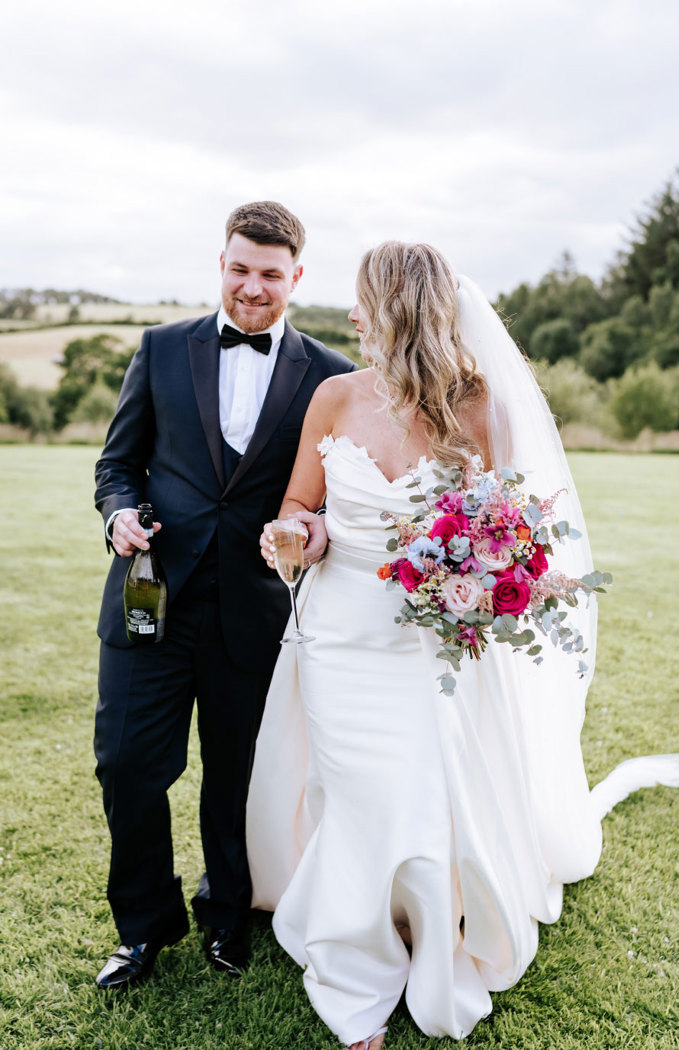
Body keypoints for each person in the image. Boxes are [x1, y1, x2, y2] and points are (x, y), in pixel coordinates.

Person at [247, 241, 679, 1050]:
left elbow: (502, 522)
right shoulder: (335, 399)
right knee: (352, 794)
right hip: (340, 637)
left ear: (397, 306)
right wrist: (296, 535)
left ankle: (428, 931)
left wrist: (488, 567)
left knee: (419, 792)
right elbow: (301, 508)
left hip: (431, 642)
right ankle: (353, 956)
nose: (350, 314)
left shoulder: (477, 404)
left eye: (362, 299)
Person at [92, 201, 356, 989]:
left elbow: (331, 503)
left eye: (270, 274)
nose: (252, 287)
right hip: (152, 600)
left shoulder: (334, 377)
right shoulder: (161, 349)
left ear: (296, 278)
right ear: (222, 263)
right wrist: (117, 517)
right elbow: (118, 463)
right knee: (128, 764)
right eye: (240, 268)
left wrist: (310, 535)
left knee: (238, 775)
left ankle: (227, 915)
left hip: (257, 609)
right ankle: (142, 929)